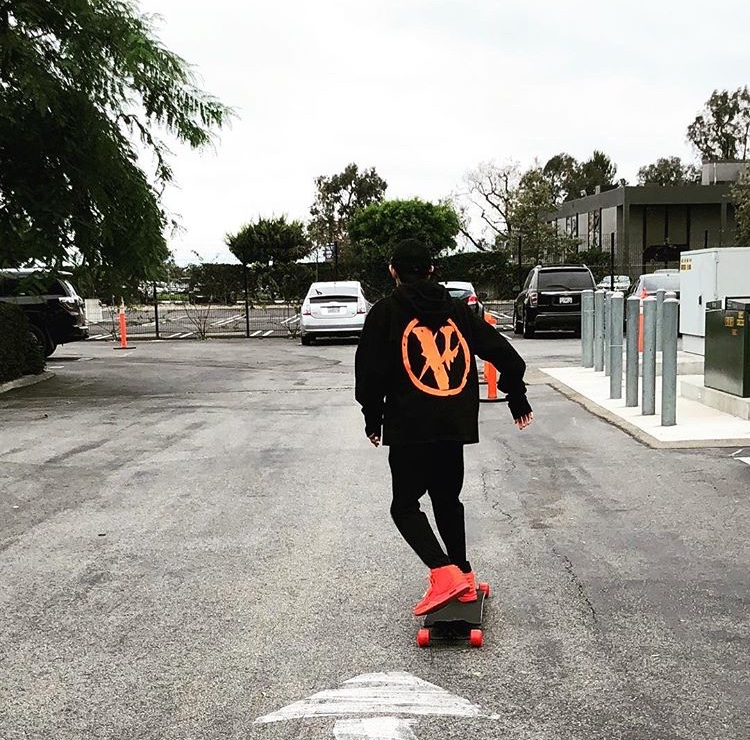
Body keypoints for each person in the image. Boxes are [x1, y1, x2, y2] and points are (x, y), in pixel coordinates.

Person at [355, 238, 534, 616]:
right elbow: (503, 352)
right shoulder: (458, 311)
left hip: (410, 425)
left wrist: (373, 418)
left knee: (405, 506)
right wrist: (515, 394)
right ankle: (463, 575)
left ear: (393, 271)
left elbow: (370, 375)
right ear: (432, 270)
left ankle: (444, 573)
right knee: (446, 499)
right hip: (453, 422)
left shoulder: (385, 313)